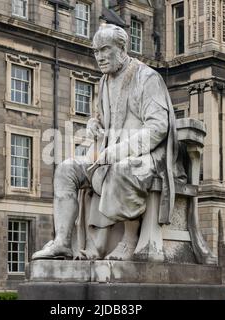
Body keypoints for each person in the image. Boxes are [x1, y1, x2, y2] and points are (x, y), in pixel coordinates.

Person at [32, 23, 183, 261]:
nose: (99, 57)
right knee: (66, 169)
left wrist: (119, 151)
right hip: (106, 152)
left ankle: (129, 239)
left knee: (121, 168)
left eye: (105, 50)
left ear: (122, 47)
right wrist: (94, 123)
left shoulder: (147, 77)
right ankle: (62, 242)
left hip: (146, 156)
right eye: (95, 52)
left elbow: (158, 127)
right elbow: (103, 116)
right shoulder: (105, 81)